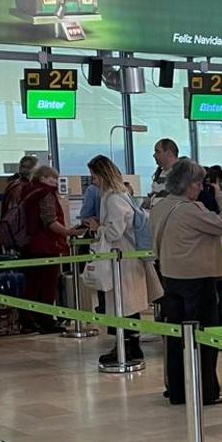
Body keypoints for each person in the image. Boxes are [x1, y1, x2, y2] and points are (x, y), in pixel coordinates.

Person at [153, 159, 222, 405]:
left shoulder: (159, 206)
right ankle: (206, 391)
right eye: (199, 184)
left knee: (176, 338)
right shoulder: (191, 210)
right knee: (203, 340)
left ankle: (178, 390)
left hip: (170, 278)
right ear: (189, 184)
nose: (201, 189)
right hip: (196, 281)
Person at [85, 155, 158, 368]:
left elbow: (116, 230)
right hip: (125, 257)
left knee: (123, 304)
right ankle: (127, 345)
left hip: (122, 258)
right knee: (125, 303)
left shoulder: (113, 198)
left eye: (94, 176)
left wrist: (97, 228)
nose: (93, 181)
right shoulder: (120, 195)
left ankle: (127, 346)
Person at [16, 165, 71, 331]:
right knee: (48, 285)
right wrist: (68, 232)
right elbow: (50, 222)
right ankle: (46, 320)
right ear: (42, 178)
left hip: (28, 245)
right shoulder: (45, 193)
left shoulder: (27, 192)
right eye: (51, 178)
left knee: (32, 285)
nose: (54, 181)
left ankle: (27, 320)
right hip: (46, 246)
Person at [143, 138, 179, 210]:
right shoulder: (160, 172)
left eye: (157, 152)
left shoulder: (181, 173)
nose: (154, 155)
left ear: (168, 153)